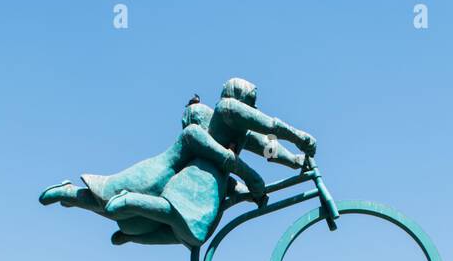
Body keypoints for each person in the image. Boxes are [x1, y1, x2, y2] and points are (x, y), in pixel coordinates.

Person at [39, 79, 316, 247]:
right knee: (121, 203)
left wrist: (294, 160)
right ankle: (82, 195)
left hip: (211, 185)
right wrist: (299, 137)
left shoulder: (240, 130)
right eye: (250, 102)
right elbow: (270, 125)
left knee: (184, 233)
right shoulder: (224, 110)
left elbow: (267, 146)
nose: (251, 108)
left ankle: (115, 221)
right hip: (185, 176)